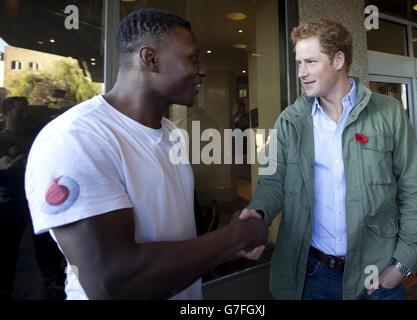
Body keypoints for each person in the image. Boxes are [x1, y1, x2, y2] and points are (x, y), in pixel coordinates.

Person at [25, 8, 267, 300]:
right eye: (192, 57)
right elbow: (115, 282)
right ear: (150, 58)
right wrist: (234, 237)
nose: (202, 69)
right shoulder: (75, 138)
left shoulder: (171, 133)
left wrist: (227, 240)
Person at [241, 19, 417, 300]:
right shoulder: (290, 121)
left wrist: (401, 265)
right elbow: (273, 181)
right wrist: (257, 214)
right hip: (312, 275)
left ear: (338, 59)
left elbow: (415, 189)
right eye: (298, 63)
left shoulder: (388, 113)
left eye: (310, 62)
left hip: (376, 274)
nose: (301, 73)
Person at [0, 97, 65, 299]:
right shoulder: (1, 139)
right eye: (21, 110)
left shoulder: (38, 137)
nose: (25, 114)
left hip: (37, 202)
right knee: (6, 255)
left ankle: (53, 289)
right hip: (8, 203)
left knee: (48, 252)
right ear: (7, 112)